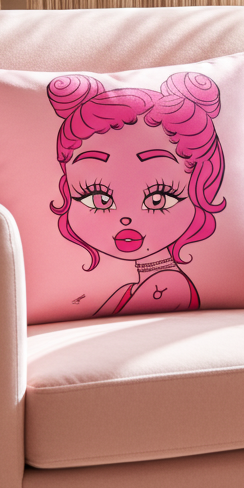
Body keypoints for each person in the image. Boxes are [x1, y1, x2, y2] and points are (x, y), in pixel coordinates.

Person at [47, 70, 225, 316]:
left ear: (199, 188)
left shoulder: (167, 285)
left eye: (158, 198)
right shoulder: (131, 289)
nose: (126, 218)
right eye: (98, 197)